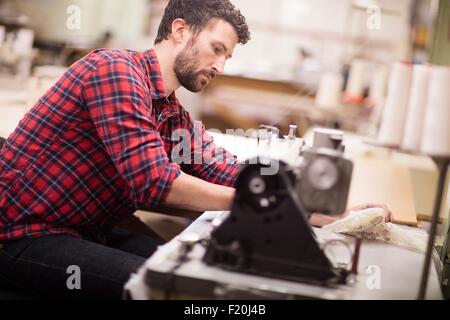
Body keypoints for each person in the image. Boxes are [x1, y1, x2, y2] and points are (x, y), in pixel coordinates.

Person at [0, 0, 392, 299]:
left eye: (228, 56)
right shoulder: (114, 71)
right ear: (180, 30)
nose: (221, 66)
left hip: (85, 232)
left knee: (199, 271)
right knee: (176, 290)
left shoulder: (170, 111)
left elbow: (223, 168)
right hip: (23, 236)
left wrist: (329, 212)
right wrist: (257, 202)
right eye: (217, 49)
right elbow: (154, 182)